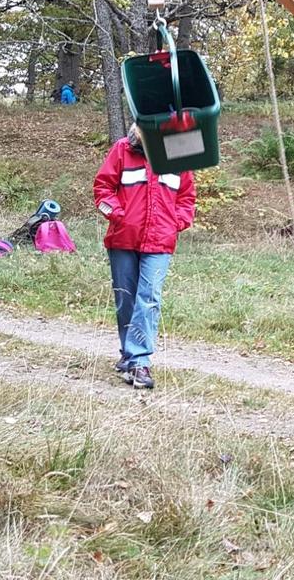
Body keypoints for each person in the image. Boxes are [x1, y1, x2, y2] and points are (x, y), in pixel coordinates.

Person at [93, 124, 196, 389]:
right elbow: (102, 189)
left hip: (160, 242)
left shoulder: (179, 153)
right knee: (125, 298)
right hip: (123, 239)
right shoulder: (122, 150)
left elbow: (187, 198)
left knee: (149, 298)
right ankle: (128, 356)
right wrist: (118, 215)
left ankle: (139, 361)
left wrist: (177, 223)